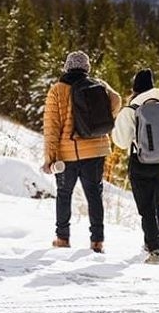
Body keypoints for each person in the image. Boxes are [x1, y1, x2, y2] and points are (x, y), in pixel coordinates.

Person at [43, 51, 120, 254]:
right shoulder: (97, 87)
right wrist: (102, 84)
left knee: (64, 194)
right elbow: (117, 100)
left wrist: (50, 159)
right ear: (87, 68)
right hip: (95, 151)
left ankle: (62, 238)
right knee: (94, 195)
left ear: (67, 67)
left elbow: (52, 127)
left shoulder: (57, 90)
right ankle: (97, 242)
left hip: (67, 155)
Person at [111, 69, 159, 265]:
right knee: (154, 203)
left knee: (145, 208)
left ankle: (154, 249)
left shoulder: (131, 110)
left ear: (135, 88)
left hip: (141, 163)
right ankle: (150, 243)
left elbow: (120, 141)